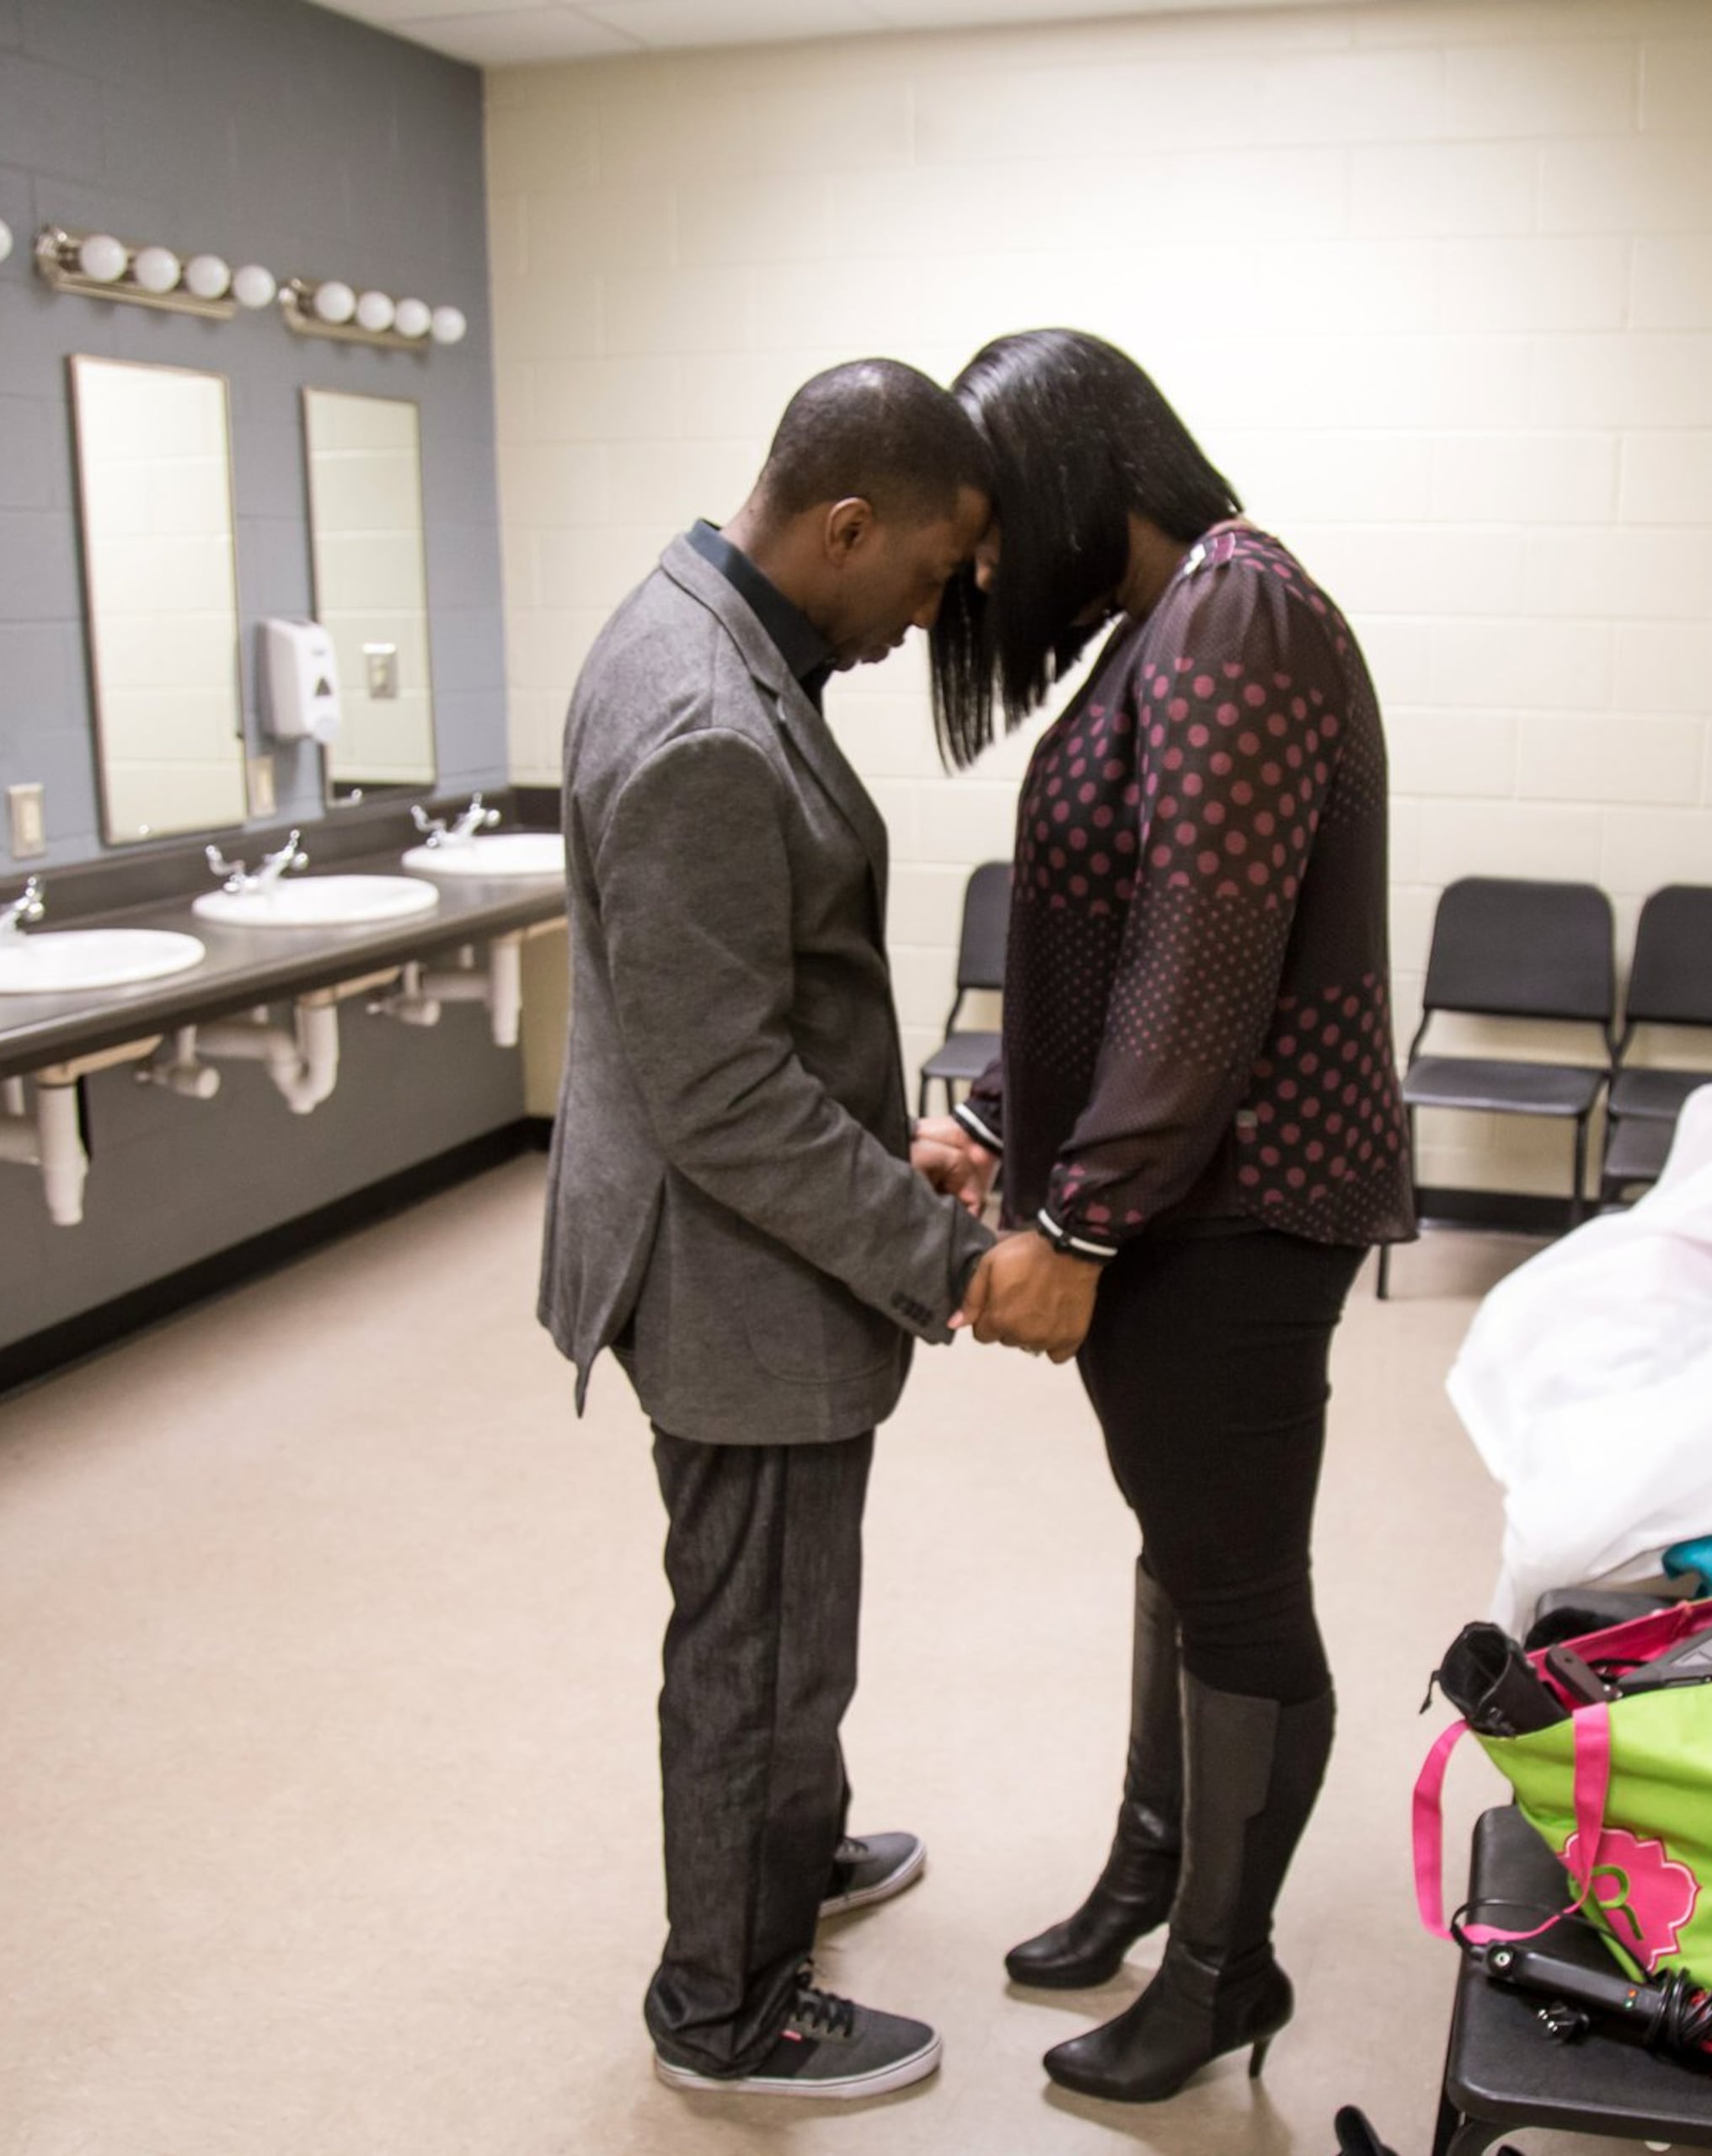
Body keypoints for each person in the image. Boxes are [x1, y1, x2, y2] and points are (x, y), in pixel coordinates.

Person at [918, 329, 1414, 2102]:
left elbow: (1202, 955)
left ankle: (1224, 1964)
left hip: (1239, 1202)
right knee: (1182, 1542)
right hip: (1183, 1194)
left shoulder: (1239, 614)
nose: (976, 573)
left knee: (1237, 1584)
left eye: (984, 532)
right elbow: (1107, 942)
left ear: (1071, 480)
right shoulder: (1172, 623)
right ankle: (1155, 1861)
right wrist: (1003, 1121)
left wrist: (1092, 1218)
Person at [538, 358, 999, 2102]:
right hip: (731, 1267)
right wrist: (943, 1254)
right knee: (757, 1632)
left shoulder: (710, 636)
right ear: (845, 523)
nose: (935, 609)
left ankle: (787, 1849)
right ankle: (725, 2011)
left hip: (751, 1221)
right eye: (934, 571)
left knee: (793, 1602)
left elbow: (729, 1003)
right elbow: (721, 1091)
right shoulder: (703, 723)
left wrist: (888, 1135)